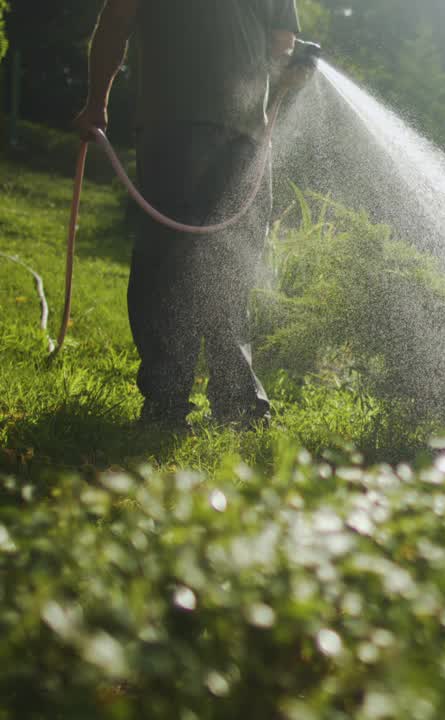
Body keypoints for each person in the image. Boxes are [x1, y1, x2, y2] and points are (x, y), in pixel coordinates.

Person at [72, 0, 304, 430]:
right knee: (167, 263)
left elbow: (281, 44)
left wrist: (292, 71)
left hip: (245, 136)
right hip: (173, 125)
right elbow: (117, 20)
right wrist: (96, 103)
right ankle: (166, 401)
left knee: (232, 267)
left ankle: (236, 402)